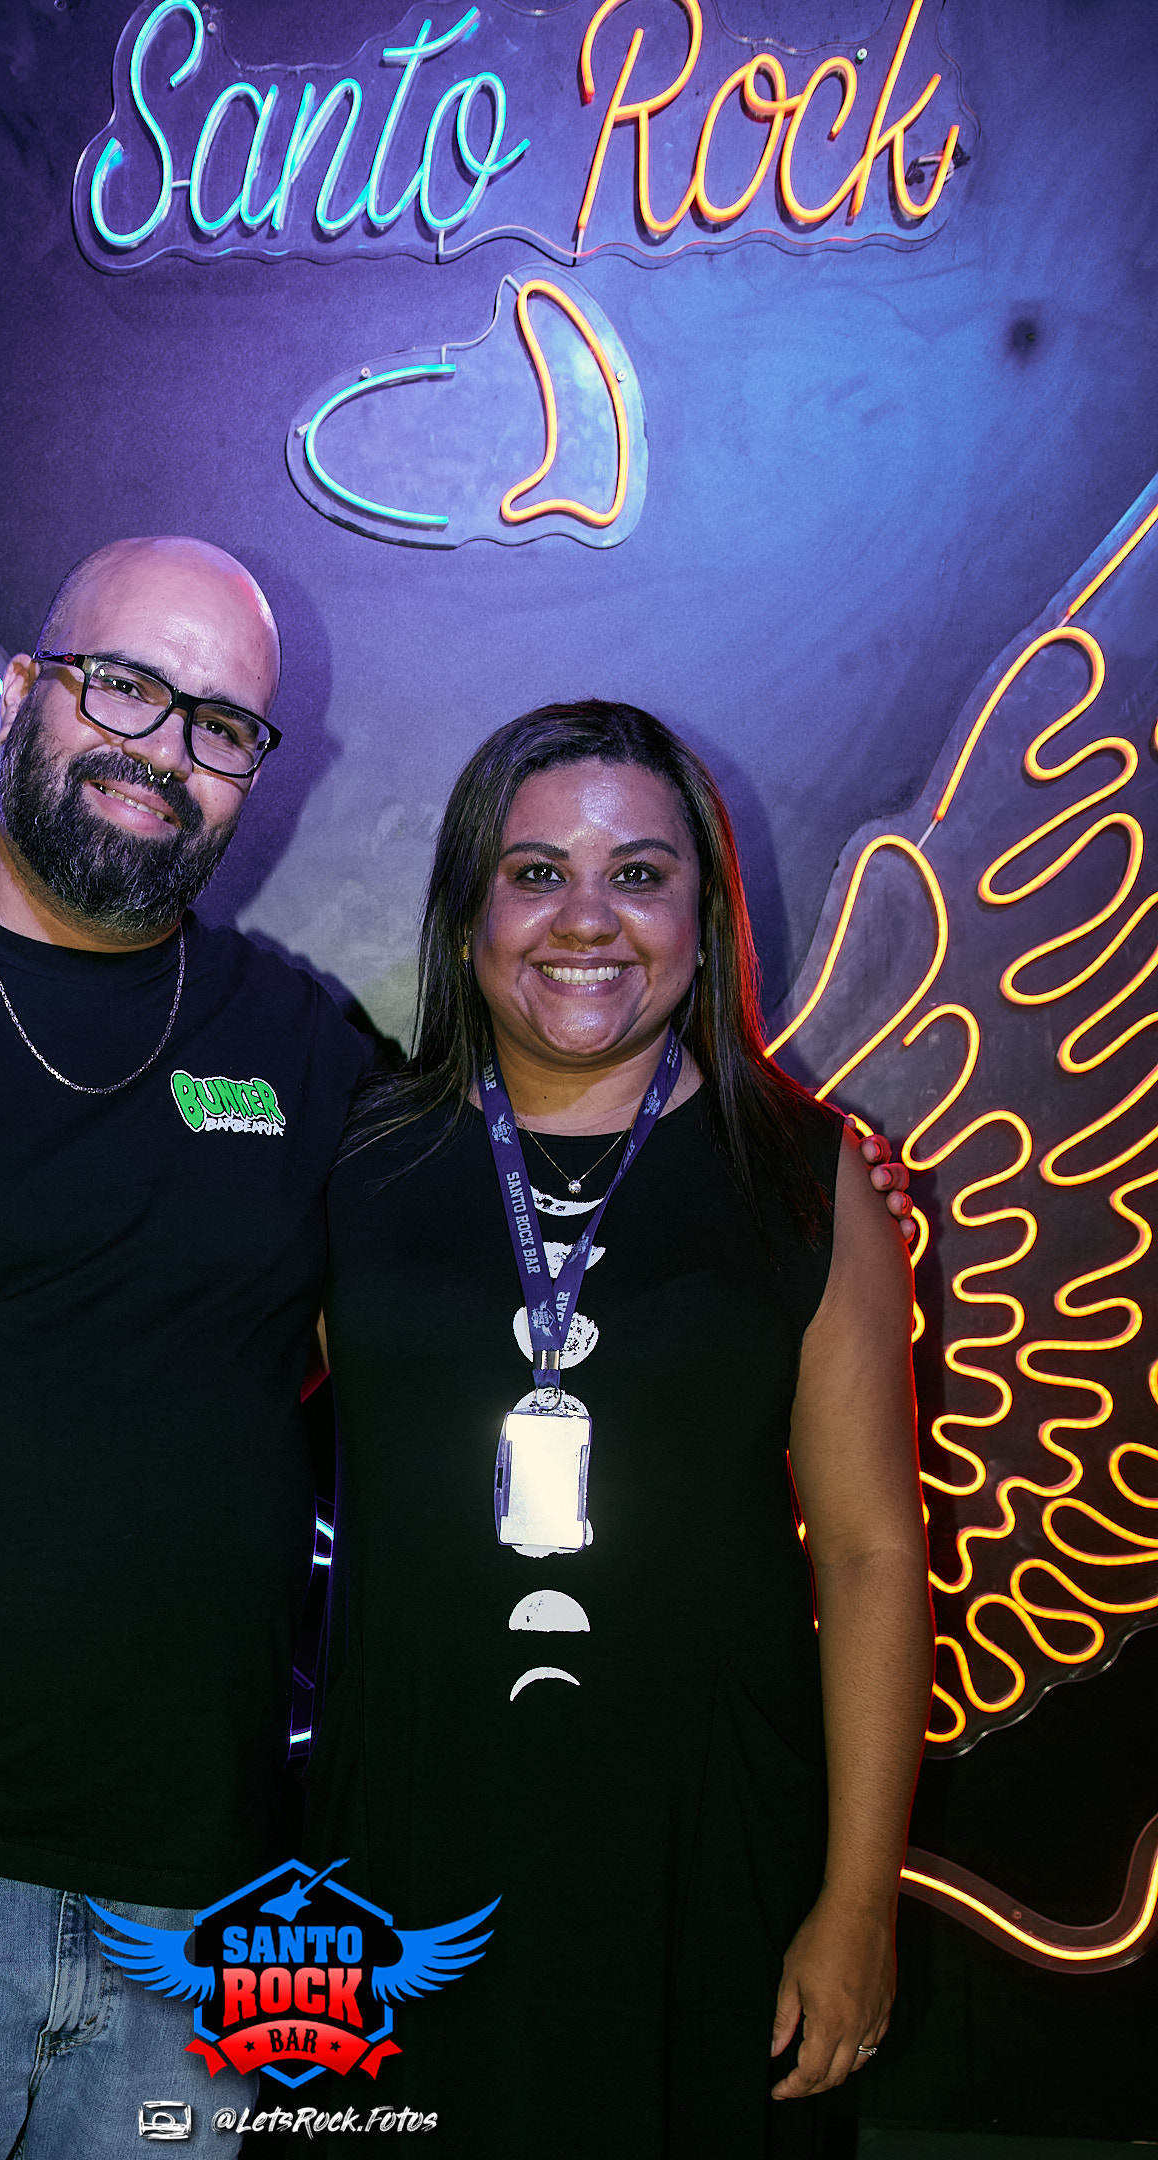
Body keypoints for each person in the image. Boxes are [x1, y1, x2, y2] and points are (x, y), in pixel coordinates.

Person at [0, 545, 914, 2159]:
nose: (161, 747)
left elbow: (555, 1230)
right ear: (23, 694)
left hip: (206, 1912)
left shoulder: (302, 1053)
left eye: (218, 723)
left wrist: (817, 1195)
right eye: (124, 687)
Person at [307, 703, 933, 2158]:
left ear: (705, 920)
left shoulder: (806, 1182)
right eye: (536, 873)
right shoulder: (354, 1163)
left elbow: (870, 1556)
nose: (586, 919)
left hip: (708, 1864)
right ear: (467, 914)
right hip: (399, 1858)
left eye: (639, 875)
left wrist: (857, 1902)